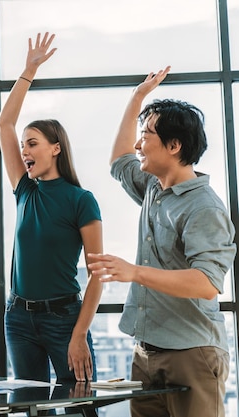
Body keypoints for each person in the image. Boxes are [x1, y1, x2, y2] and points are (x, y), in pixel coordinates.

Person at [88, 66, 236, 417]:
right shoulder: (154, 188)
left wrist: (135, 273)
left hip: (192, 353)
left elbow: (206, 283)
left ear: (174, 145)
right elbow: (118, 160)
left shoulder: (204, 208)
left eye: (147, 135)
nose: (138, 144)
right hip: (146, 351)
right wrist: (138, 97)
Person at [0, 32, 103, 383]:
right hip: (19, 320)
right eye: (23, 145)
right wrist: (29, 71)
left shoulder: (81, 200)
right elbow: (4, 124)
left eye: (33, 143)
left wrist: (78, 334)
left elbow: (97, 275)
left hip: (65, 319)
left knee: (80, 405)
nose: (24, 151)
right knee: (29, 407)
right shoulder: (24, 190)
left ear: (55, 148)